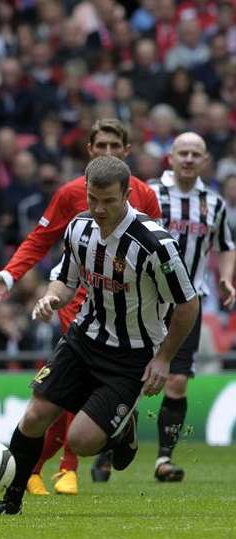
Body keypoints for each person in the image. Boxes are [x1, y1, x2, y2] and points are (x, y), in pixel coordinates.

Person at [0, 156, 199, 516]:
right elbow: (66, 280)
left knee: (81, 441)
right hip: (84, 340)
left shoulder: (155, 244)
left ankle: (122, 429)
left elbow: (187, 305)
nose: (98, 208)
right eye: (92, 199)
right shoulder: (78, 228)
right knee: (35, 414)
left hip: (131, 356)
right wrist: (52, 297)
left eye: (108, 201)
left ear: (127, 194)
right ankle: (11, 500)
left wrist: (164, 358)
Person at [93, 132, 236, 483]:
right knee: (130, 379)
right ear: (170, 157)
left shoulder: (213, 204)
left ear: (205, 161)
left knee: (176, 383)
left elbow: (226, 245)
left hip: (188, 302)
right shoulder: (149, 193)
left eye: (195, 154)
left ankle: (164, 460)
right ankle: (111, 447)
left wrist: (227, 277)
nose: (188, 159)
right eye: (182, 153)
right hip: (145, 301)